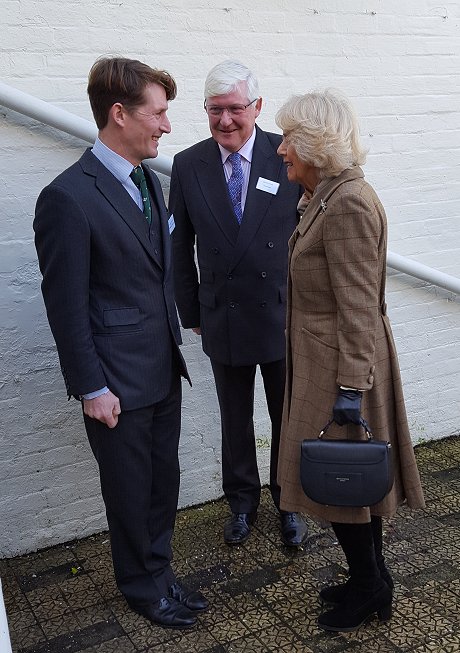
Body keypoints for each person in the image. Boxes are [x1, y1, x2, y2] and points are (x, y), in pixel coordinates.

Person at [34, 57, 208, 630]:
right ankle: (142, 589)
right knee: (130, 495)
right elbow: (66, 305)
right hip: (115, 384)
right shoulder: (67, 198)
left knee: (162, 486)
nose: (165, 125)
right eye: (157, 113)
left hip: (161, 371)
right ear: (119, 114)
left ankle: (159, 573)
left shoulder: (146, 182)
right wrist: (91, 387)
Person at [275, 89, 425, 632]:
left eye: (289, 138)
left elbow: (360, 306)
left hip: (342, 366)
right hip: (324, 361)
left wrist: (349, 389)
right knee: (346, 486)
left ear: (316, 144)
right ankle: (372, 580)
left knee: (344, 482)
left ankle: (369, 585)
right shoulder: (324, 195)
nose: (280, 149)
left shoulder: (349, 203)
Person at [170, 60, 308, 547]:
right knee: (234, 419)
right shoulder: (188, 165)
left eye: (234, 109)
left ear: (257, 108)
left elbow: (312, 234)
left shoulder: (287, 154)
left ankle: (289, 502)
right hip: (221, 314)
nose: (225, 121)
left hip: (281, 313)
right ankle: (242, 503)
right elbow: (178, 248)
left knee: (286, 414)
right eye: (215, 110)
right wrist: (192, 313)